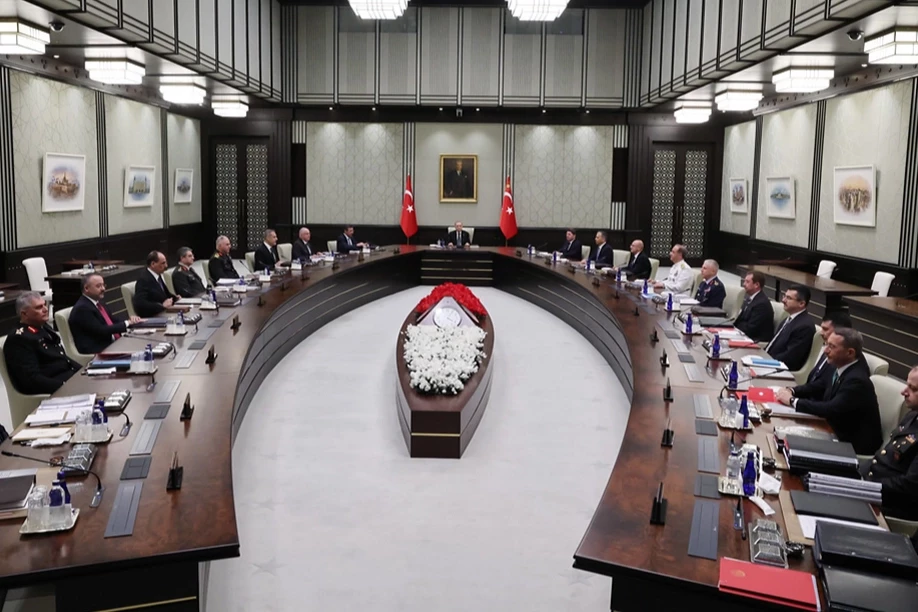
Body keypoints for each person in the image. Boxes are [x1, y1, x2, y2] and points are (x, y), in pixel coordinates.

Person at [775, 328, 882, 455]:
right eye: (826, 344)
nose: (825, 350)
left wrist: (793, 401)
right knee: (781, 433)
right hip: (831, 429)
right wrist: (792, 390)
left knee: (787, 443)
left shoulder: (857, 380)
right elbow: (819, 386)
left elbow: (831, 409)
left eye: (832, 347)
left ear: (850, 352)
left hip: (851, 445)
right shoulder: (840, 366)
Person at [861, 365, 918, 520]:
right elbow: (884, 457)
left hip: (892, 504)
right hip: (873, 486)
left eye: (913, 389)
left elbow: (910, 485)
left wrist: (865, 487)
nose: (904, 392)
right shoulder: (912, 416)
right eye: (907, 385)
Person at [2, 292, 80, 394]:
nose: (45, 309)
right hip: (53, 389)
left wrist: (84, 371)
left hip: (68, 377)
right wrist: (65, 386)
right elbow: (31, 379)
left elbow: (62, 358)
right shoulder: (19, 339)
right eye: (39, 307)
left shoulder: (43, 326)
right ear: (24, 314)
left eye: (44, 305)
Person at [69, 274, 143, 354]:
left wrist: (131, 320)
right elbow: (101, 330)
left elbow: (112, 320)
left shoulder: (99, 303)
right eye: (98, 286)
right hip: (98, 350)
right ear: (86, 288)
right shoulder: (82, 309)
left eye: (103, 285)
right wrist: (126, 323)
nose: (103, 289)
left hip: (111, 344)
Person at [765, 285, 816, 371]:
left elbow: (790, 358)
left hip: (780, 369)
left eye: (789, 298)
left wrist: (765, 361)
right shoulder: (789, 319)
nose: (783, 300)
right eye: (784, 296)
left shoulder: (804, 327)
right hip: (768, 361)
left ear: (801, 303)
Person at [806, 312, 853, 385]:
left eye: (825, 329)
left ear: (839, 331)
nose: (821, 333)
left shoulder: (842, 356)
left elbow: (823, 385)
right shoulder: (828, 346)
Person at [133, 251, 179, 317]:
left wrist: (175, 298)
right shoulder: (143, 279)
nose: (166, 266)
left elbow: (165, 295)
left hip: (163, 312)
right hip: (153, 316)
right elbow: (140, 304)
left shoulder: (157, 275)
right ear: (153, 264)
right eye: (163, 263)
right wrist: (161, 306)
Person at [733, 271, 774, 342]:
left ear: (756, 285)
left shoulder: (762, 304)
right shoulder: (750, 299)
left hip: (755, 340)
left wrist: (734, 329)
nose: (744, 284)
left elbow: (750, 328)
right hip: (743, 335)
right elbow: (741, 320)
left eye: (747, 282)